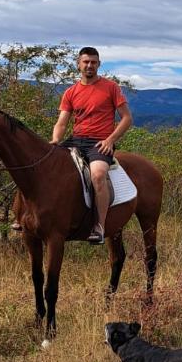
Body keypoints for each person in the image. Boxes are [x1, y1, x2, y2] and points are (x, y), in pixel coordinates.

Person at [52, 47, 132, 244]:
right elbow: (62, 122)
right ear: (78, 64)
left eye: (93, 62)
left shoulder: (111, 87)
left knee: (97, 174)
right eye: (86, 62)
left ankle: (99, 226)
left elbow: (127, 119)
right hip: (76, 139)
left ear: (99, 64)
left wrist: (110, 140)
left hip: (100, 143)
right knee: (42, 164)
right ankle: (26, 217)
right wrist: (55, 141)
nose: (89, 65)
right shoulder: (71, 92)